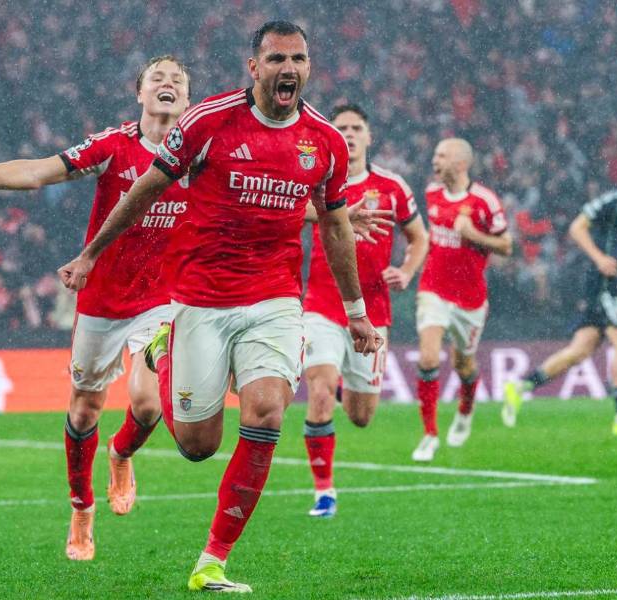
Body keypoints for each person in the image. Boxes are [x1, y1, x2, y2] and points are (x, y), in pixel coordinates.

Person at [59, 20, 383, 593]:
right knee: (196, 445)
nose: (290, 69)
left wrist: (356, 310)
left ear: (309, 68)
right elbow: (145, 191)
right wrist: (92, 254)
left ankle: (213, 561)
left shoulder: (324, 141)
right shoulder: (208, 121)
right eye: (277, 59)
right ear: (254, 67)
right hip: (200, 298)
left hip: (276, 299)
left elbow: (333, 225)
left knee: (265, 412)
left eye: (299, 59)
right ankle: (161, 351)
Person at [0, 56, 193, 560]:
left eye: (178, 81)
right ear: (138, 94)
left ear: (187, 100)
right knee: (84, 410)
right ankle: (82, 507)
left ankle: (121, 454)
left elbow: (260, 196)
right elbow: (36, 172)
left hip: (160, 299)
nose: (168, 85)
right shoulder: (112, 146)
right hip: (101, 298)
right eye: (157, 79)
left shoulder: (199, 151)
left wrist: (329, 214)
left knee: (148, 404)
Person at [301, 104, 428, 517]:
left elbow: (418, 238)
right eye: (342, 128)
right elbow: (285, 210)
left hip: (372, 309)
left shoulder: (391, 186)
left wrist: (407, 270)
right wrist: (330, 214)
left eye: (357, 128)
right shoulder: (315, 179)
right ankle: (325, 492)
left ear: (369, 137)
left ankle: (344, 384)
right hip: (321, 303)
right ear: (331, 136)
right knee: (318, 394)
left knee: (360, 416)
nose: (350, 134)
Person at [503, 150, 617, 436]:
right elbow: (577, 227)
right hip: (603, 282)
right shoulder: (616, 202)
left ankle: (521, 386)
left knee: (579, 351)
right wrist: (598, 258)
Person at [412, 138, 511, 462]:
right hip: (434, 290)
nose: (434, 160)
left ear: (460, 163)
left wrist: (474, 235)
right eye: (434, 154)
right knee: (428, 358)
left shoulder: (485, 201)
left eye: (441, 156)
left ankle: (466, 409)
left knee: (463, 365)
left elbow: (507, 246)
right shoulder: (431, 193)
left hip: (470, 299)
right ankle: (429, 434)